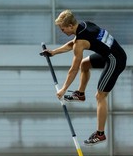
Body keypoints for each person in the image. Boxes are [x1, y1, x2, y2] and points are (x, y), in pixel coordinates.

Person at [42, 10, 127, 145]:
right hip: (109, 54)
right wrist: (54, 52)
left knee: (100, 96)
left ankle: (100, 134)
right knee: (85, 64)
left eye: (62, 28)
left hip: (115, 60)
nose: (61, 30)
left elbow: (73, 69)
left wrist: (63, 89)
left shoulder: (81, 41)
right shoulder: (84, 25)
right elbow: (73, 44)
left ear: (70, 26)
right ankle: (80, 94)